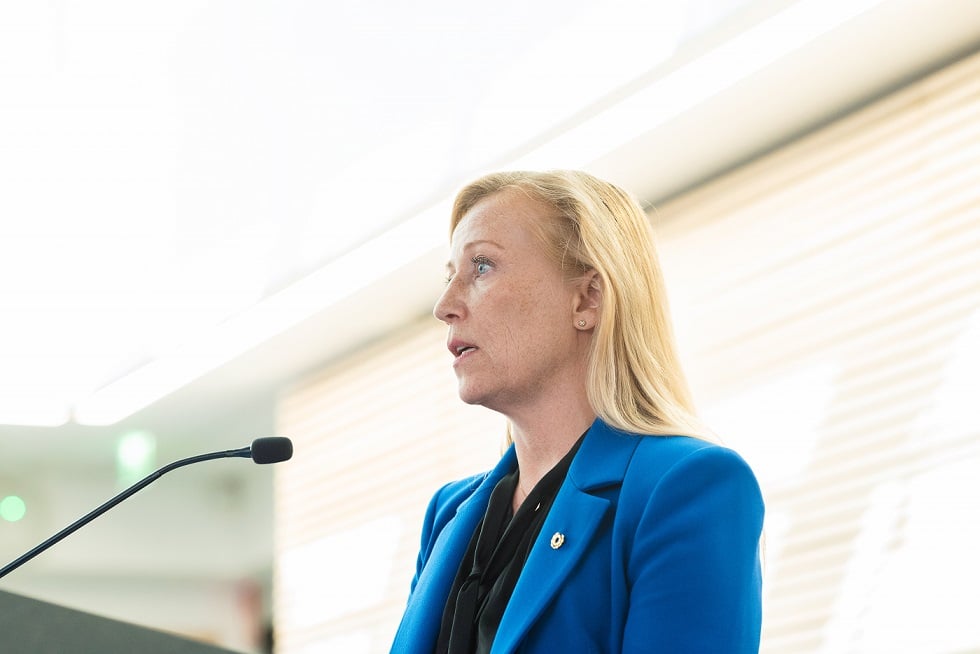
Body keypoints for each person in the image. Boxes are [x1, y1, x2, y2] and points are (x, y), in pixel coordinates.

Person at [390, 170, 764, 653]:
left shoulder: (687, 487)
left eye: (481, 266)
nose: (444, 305)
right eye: (450, 276)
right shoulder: (448, 513)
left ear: (587, 298)